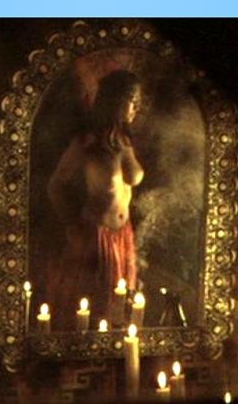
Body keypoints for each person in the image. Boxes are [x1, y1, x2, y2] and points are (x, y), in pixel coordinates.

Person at [46, 70, 144, 321]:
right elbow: (55, 186)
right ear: (115, 100)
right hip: (97, 236)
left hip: (124, 235)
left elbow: (131, 179)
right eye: (132, 100)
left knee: (121, 309)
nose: (136, 108)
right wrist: (72, 224)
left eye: (138, 101)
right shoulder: (87, 142)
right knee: (99, 308)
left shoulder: (123, 141)